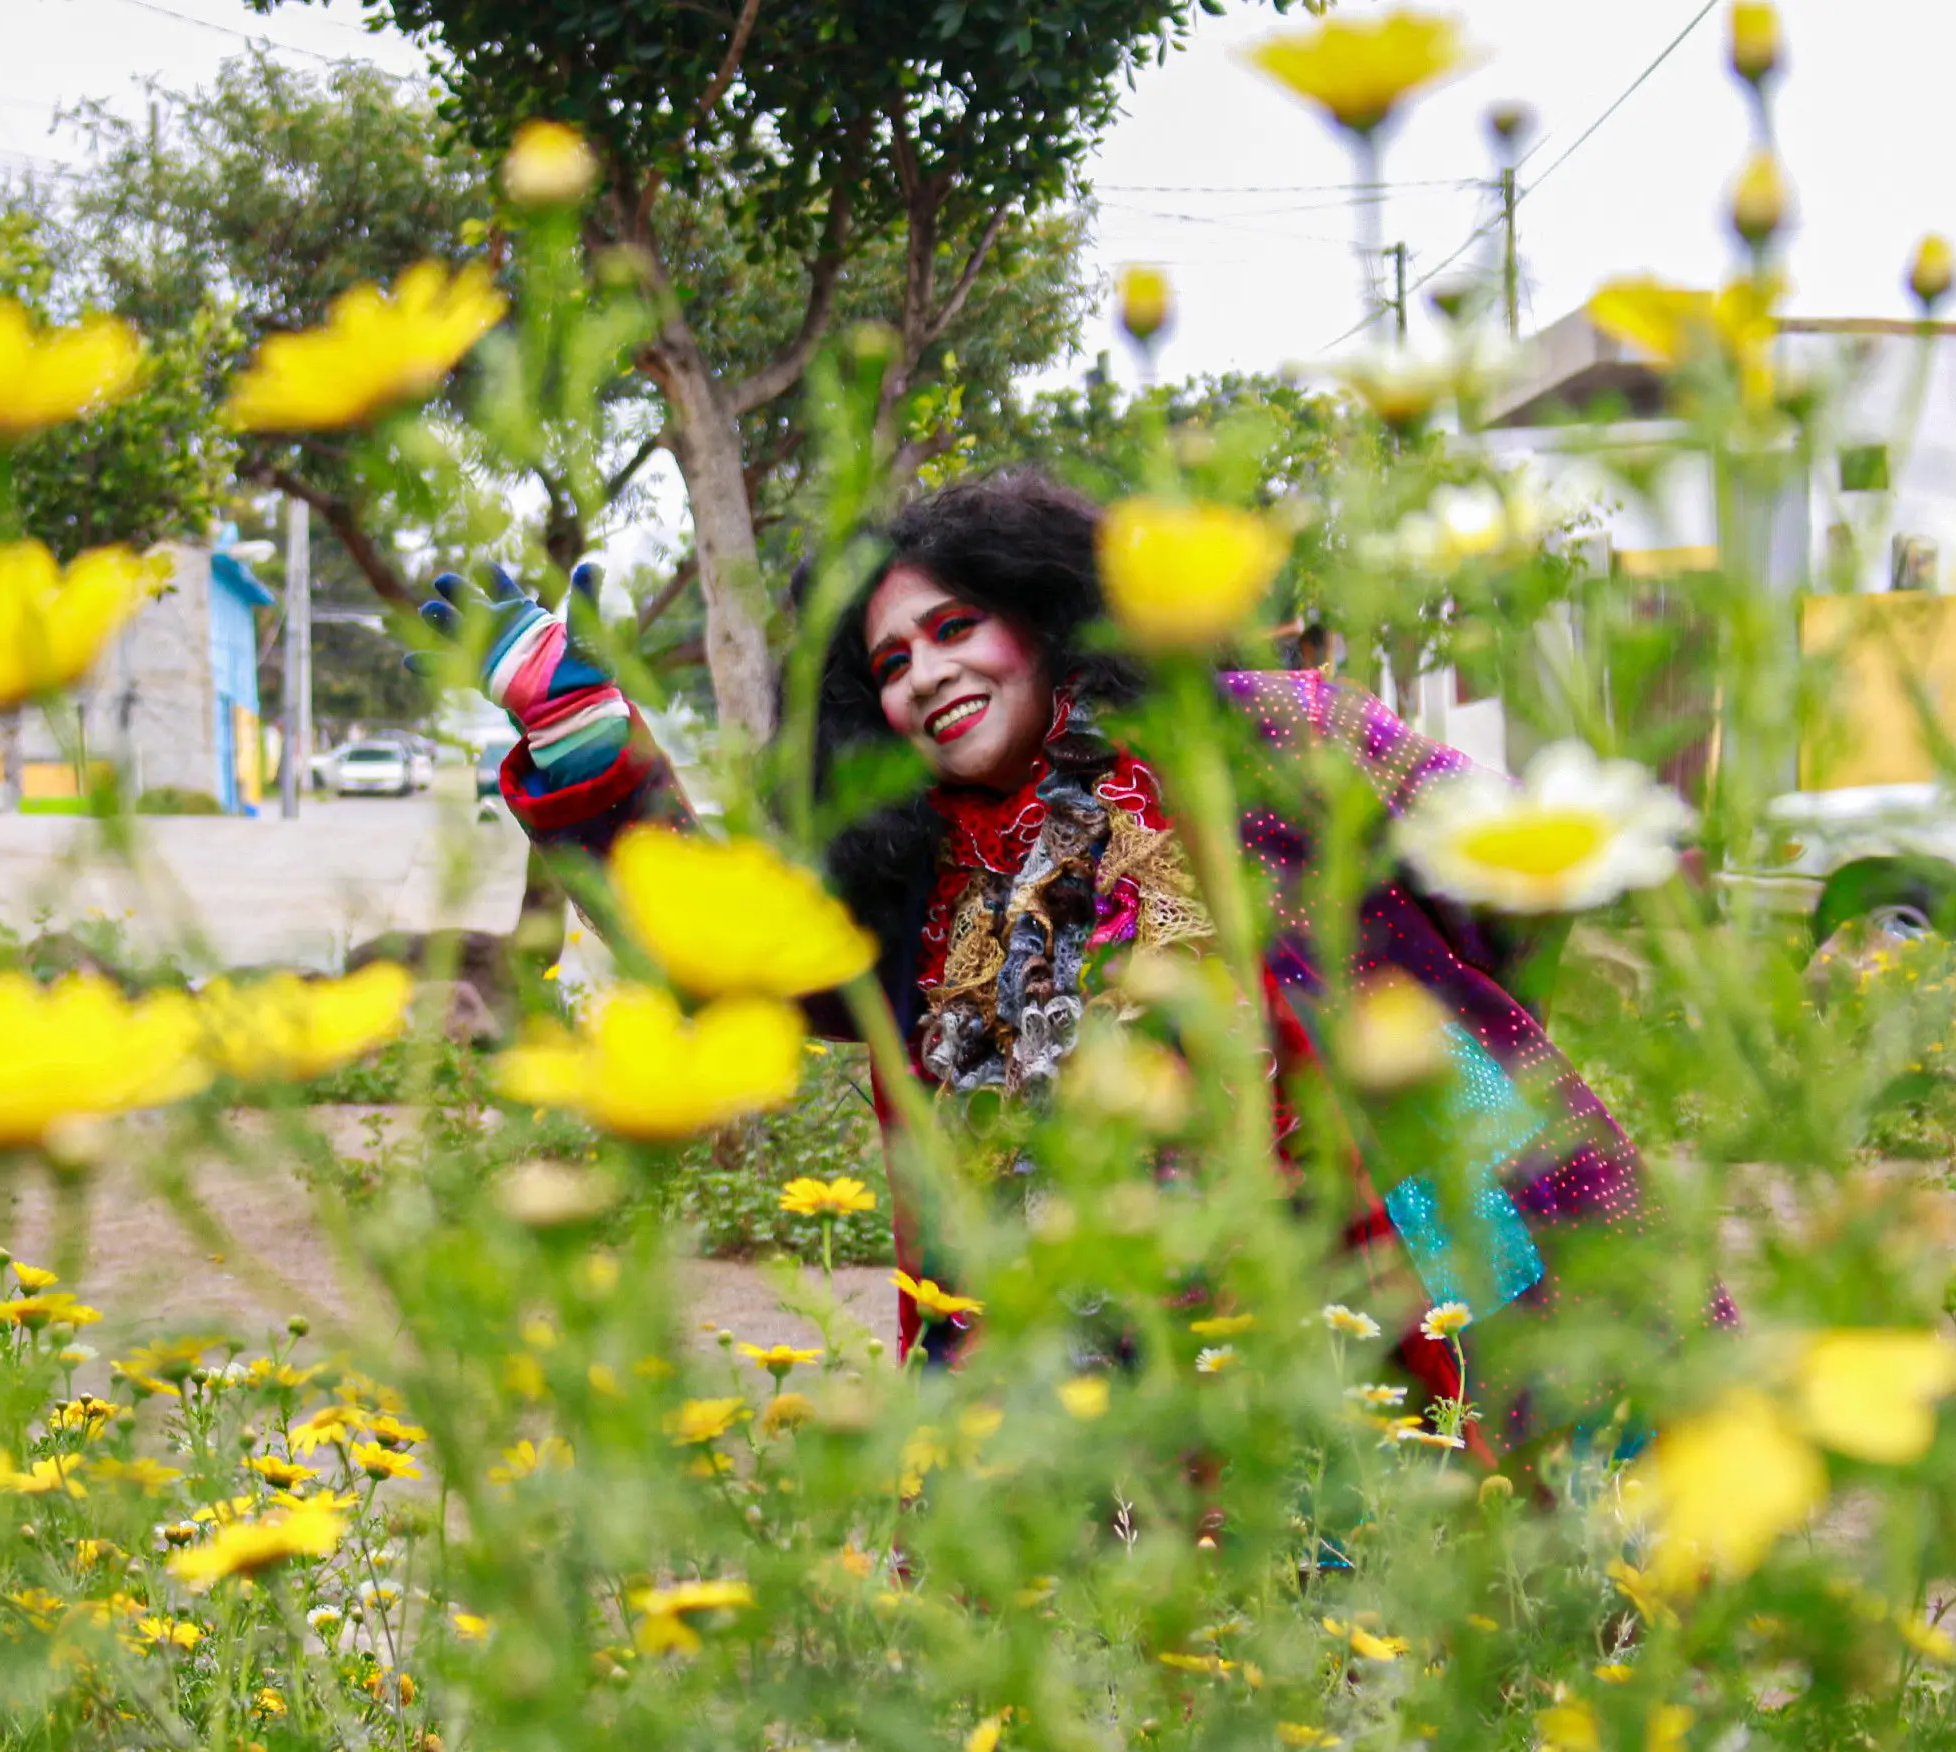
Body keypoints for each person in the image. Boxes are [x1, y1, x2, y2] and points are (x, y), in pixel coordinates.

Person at [436, 470, 1678, 1462]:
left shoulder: (1262, 730)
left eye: (952, 627)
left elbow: (1503, 853)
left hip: (1382, 1302)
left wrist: (1467, 1038)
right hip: (1072, 1396)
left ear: (1039, 614)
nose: (927, 674)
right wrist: (591, 752)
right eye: (891, 666)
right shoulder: (912, 893)